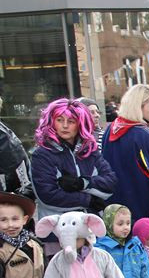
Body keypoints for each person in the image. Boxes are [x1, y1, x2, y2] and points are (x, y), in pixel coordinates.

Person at [31, 99, 118, 254]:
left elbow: (110, 182)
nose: (65, 126)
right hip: (57, 233)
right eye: (59, 120)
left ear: (80, 124)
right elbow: (48, 195)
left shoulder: (89, 151)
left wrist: (83, 183)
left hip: (89, 231)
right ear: (51, 122)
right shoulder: (42, 154)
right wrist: (88, 199)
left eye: (71, 121)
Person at [103, 84, 149, 220]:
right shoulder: (143, 134)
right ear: (138, 106)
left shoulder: (110, 129)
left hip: (116, 204)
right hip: (144, 203)